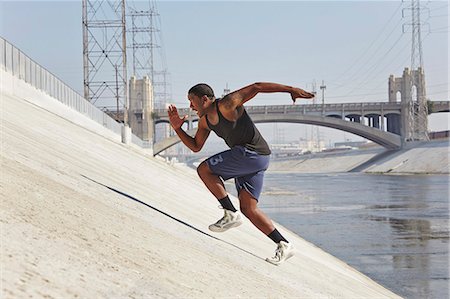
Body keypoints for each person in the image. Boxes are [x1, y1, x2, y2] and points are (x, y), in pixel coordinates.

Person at [167, 82, 314, 265]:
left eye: (192, 101)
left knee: (204, 170)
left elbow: (257, 87)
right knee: (248, 208)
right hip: (257, 159)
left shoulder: (227, 104)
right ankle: (283, 244)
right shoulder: (205, 122)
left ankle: (230, 213)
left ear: (205, 99)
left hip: (251, 153)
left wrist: (290, 90)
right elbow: (196, 146)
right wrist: (177, 128)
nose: (190, 106)